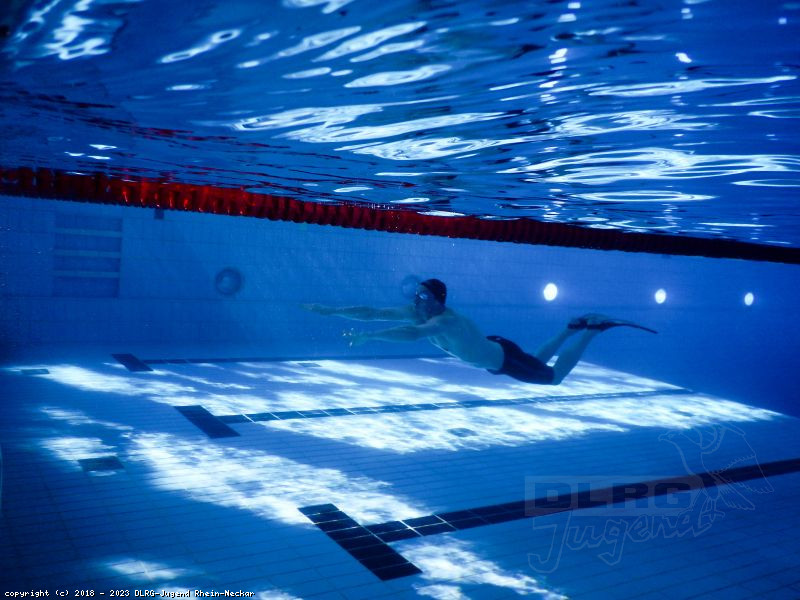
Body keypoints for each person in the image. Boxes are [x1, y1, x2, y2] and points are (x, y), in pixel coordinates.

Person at [303, 279, 655, 385]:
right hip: (496, 352)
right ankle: (570, 328)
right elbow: (372, 312)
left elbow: (412, 335)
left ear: (438, 301)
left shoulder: (444, 321)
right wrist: (331, 311)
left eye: (423, 297)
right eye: (416, 296)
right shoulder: (419, 312)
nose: (416, 301)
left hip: (501, 359)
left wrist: (370, 338)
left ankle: (592, 329)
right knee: (535, 360)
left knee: (553, 377)